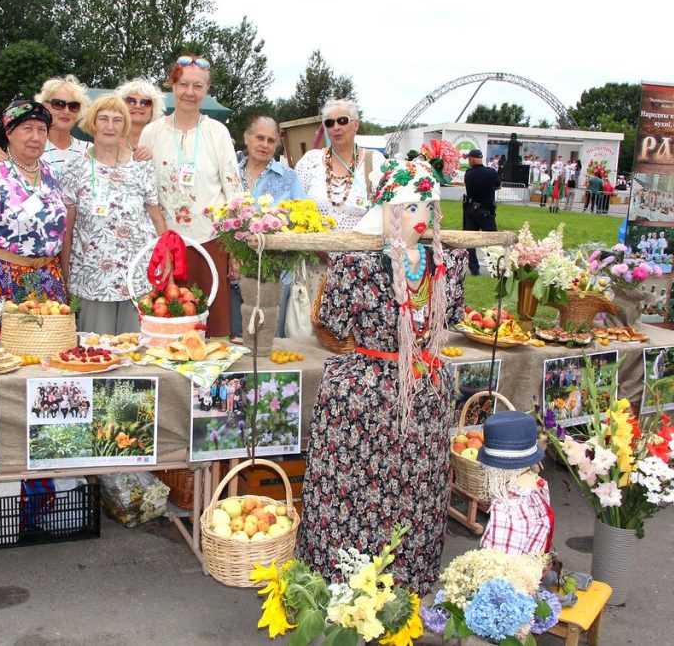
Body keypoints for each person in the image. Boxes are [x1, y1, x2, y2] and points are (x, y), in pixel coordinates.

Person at [297, 158, 468, 595]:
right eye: (411, 207)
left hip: (422, 391)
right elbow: (333, 324)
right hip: (367, 394)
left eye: (428, 206)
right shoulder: (355, 264)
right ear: (389, 210)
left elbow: (448, 317)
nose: (422, 217)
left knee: (417, 486)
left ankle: (405, 575)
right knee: (352, 485)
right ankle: (344, 579)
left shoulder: (447, 263)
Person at [139, 54, 242, 339]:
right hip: (165, 244)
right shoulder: (152, 132)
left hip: (210, 242)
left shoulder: (217, 132)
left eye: (198, 86)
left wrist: (234, 249)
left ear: (206, 90)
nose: (190, 92)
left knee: (212, 330)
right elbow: (142, 187)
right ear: (172, 86)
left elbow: (234, 191)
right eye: (184, 84)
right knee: (168, 326)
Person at [0, 100, 68, 339]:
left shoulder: (51, 173)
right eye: (27, 129)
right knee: (10, 351)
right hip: (4, 282)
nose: (35, 137)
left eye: (41, 130)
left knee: (51, 350)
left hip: (49, 281)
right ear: (9, 133)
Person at [59, 94, 167, 334]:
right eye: (104, 119)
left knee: (137, 348)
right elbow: (67, 229)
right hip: (92, 278)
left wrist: (166, 260)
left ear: (125, 126)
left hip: (138, 277)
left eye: (117, 120)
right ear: (93, 123)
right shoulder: (75, 168)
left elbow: (155, 216)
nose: (110, 126)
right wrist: (65, 275)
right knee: (96, 347)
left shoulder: (141, 164)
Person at [234, 115, 308, 337]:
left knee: (271, 339)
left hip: (276, 275)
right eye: (259, 138)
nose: (265, 145)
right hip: (234, 273)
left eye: (271, 140)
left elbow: (303, 219)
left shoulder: (289, 178)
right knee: (236, 339)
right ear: (246, 138)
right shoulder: (230, 173)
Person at [478, 411, 553, 556]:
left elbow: (499, 566)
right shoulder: (537, 482)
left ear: (492, 468)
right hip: (535, 566)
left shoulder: (507, 509)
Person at [295, 99, 376, 231]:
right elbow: (294, 205)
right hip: (315, 243)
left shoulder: (374, 161)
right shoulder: (310, 161)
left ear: (356, 125)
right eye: (329, 123)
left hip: (361, 243)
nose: (336, 127)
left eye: (342, 120)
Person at [38, 75, 92, 177]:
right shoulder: (32, 147)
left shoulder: (89, 150)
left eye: (73, 106)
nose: (66, 111)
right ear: (45, 106)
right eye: (58, 104)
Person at [462, 148, 500, 276]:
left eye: (469, 159)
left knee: (470, 240)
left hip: (471, 209)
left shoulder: (468, 173)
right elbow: (498, 185)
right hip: (486, 210)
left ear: (472, 159)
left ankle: (474, 269)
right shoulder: (491, 172)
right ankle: (494, 267)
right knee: (492, 240)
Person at [114, 78, 165, 157]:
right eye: (131, 101)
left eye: (146, 102)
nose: (138, 106)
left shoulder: (162, 141)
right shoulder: (108, 137)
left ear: (153, 108)